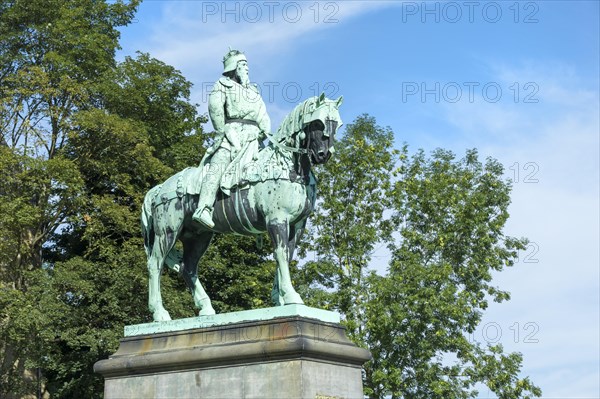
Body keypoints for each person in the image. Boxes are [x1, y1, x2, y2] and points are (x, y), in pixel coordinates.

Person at [192, 49, 271, 228]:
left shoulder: (254, 91)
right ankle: (203, 208)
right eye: (243, 65)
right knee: (219, 164)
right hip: (232, 134)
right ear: (234, 67)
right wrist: (223, 134)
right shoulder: (222, 84)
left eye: (247, 65)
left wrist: (265, 129)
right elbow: (216, 110)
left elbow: (262, 113)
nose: (247, 69)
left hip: (254, 139)